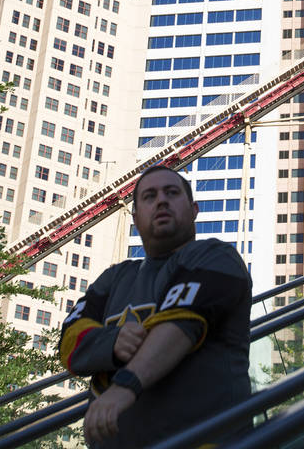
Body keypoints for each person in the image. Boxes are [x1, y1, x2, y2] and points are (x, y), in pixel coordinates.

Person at [59, 165, 252, 449]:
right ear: (135, 218)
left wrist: (125, 385)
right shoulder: (114, 278)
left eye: (172, 193)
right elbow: (69, 343)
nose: (161, 200)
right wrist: (113, 342)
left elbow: (180, 325)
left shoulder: (216, 257)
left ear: (194, 209)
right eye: (149, 196)